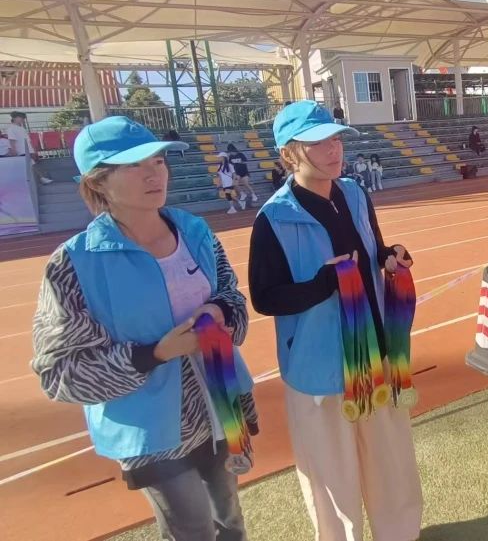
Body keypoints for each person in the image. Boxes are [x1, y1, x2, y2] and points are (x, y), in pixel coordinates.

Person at [31, 116, 258, 541]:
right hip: (150, 431)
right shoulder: (75, 263)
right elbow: (59, 373)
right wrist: (153, 354)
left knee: (231, 523)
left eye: (158, 160)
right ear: (98, 182)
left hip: (221, 404)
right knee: (193, 529)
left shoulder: (195, 232)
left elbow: (232, 298)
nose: (154, 173)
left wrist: (221, 312)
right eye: (134, 165)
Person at [248, 101, 423, 541]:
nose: (333, 149)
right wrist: (321, 284)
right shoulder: (273, 219)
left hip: (376, 356)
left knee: (392, 467)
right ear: (289, 154)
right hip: (320, 372)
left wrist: (390, 257)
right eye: (318, 143)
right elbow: (265, 298)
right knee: (331, 481)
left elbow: (373, 249)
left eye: (336, 139)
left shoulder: (355, 194)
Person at [7, 111, 53, 184]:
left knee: (31, 165)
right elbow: (12, 140)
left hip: (27, 150)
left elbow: (28, 140)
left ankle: (41, 178)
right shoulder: (11, 128)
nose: (23, 120)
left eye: (23, 118)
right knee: (31, 165)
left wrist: (33, 149)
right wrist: (14, 150)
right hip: (21, 151)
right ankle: (41, 178)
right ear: (15, 118)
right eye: (21, 118)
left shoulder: (22, 128)